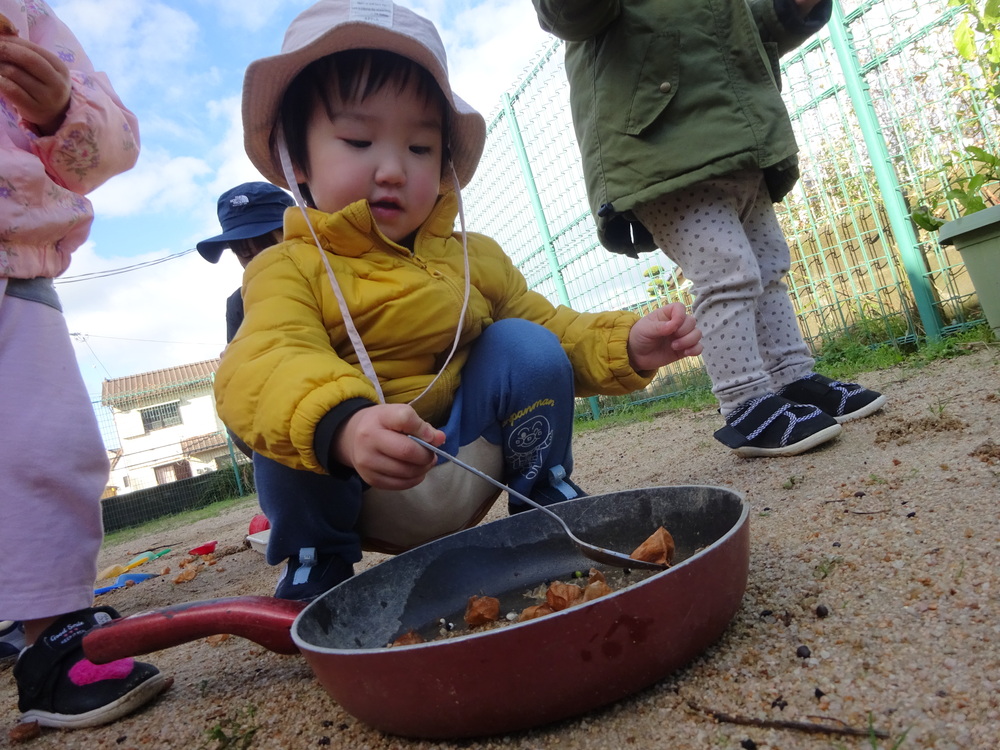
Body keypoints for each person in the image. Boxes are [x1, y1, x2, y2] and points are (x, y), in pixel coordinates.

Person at [214, 0, 703, 602]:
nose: (392, 168)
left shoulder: (475, 257)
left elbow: (552, 328)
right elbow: (265, 360)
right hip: (356, 482)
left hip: (466, 455)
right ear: (298, 159)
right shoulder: (285, 268)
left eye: (420, 149)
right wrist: (344, 429)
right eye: (358, 139)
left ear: (444, 164)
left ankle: (543, 497)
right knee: (287, 411)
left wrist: (624, 342)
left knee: (524, 341)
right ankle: (317, 562)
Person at [531, 0, 887, 458]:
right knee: (727, 270)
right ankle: (744, 402)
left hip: (739, 137)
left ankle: (792, 377)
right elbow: (571, 14)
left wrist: (791, 9)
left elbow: (750, 26)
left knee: (768, 265)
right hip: (660, 150)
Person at [0, 1, 169, 729]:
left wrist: (60, 108)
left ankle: (50, 641)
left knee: (48, 451)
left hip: (12, 261)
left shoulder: (24, 15)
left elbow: (118, 141)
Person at [196, 182, 295, 342]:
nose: (259, 263)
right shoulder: (238, 304)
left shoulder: (333, 275)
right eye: (246, 255)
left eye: (268, 250)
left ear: (295, 233)